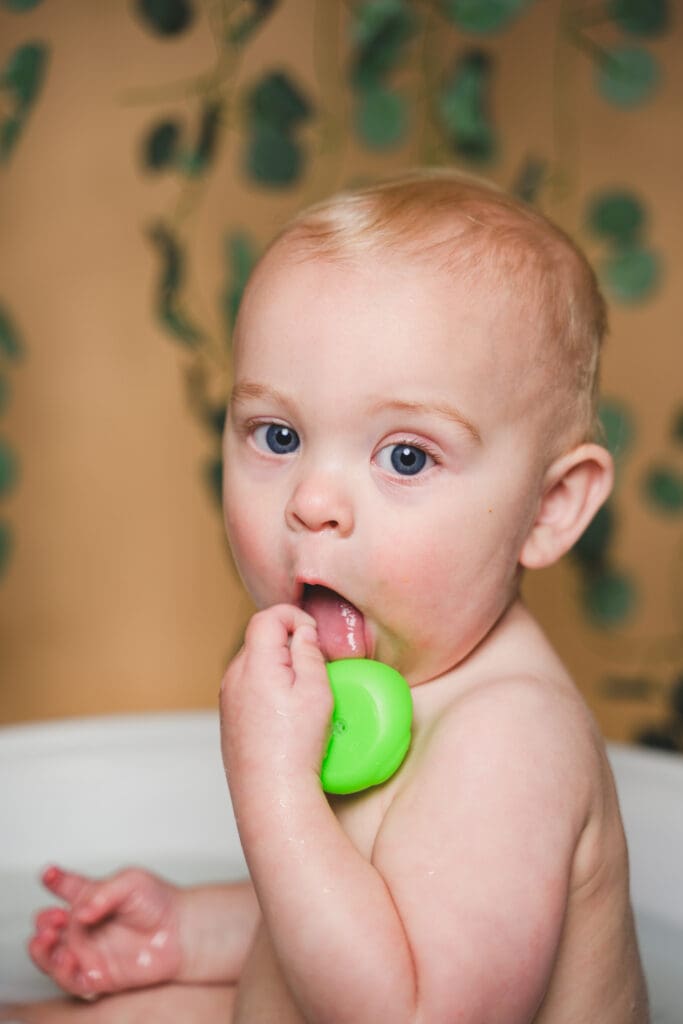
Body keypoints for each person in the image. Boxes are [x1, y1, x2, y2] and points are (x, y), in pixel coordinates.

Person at [7, 170, 649, 1023]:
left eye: (406, 457)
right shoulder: (403, 679)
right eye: (278, 436)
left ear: (549, 506)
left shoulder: (509, 740)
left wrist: (271, 788)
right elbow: (367, 909)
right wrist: (190, 930)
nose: (312, 501)